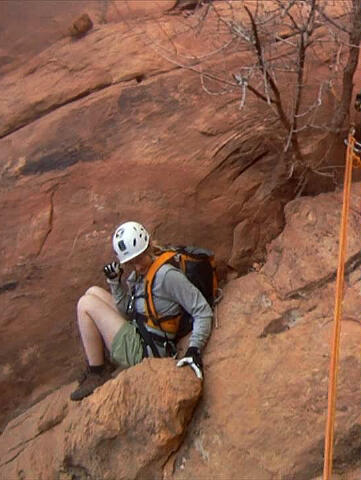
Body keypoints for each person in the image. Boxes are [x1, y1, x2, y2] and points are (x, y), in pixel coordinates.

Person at [70, 221, 213, 401]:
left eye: (138, 259)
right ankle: (101, 365)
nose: (137, 267)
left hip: (147, 350)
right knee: (93, 292)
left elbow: (202, 310)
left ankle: (96, 372)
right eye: (131, 263)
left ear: (147, 248)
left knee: (85, 304)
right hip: (141, 328)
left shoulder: (166, 276)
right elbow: (129, 311)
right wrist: (114, 282)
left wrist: (194, 349)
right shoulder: (142, 272)